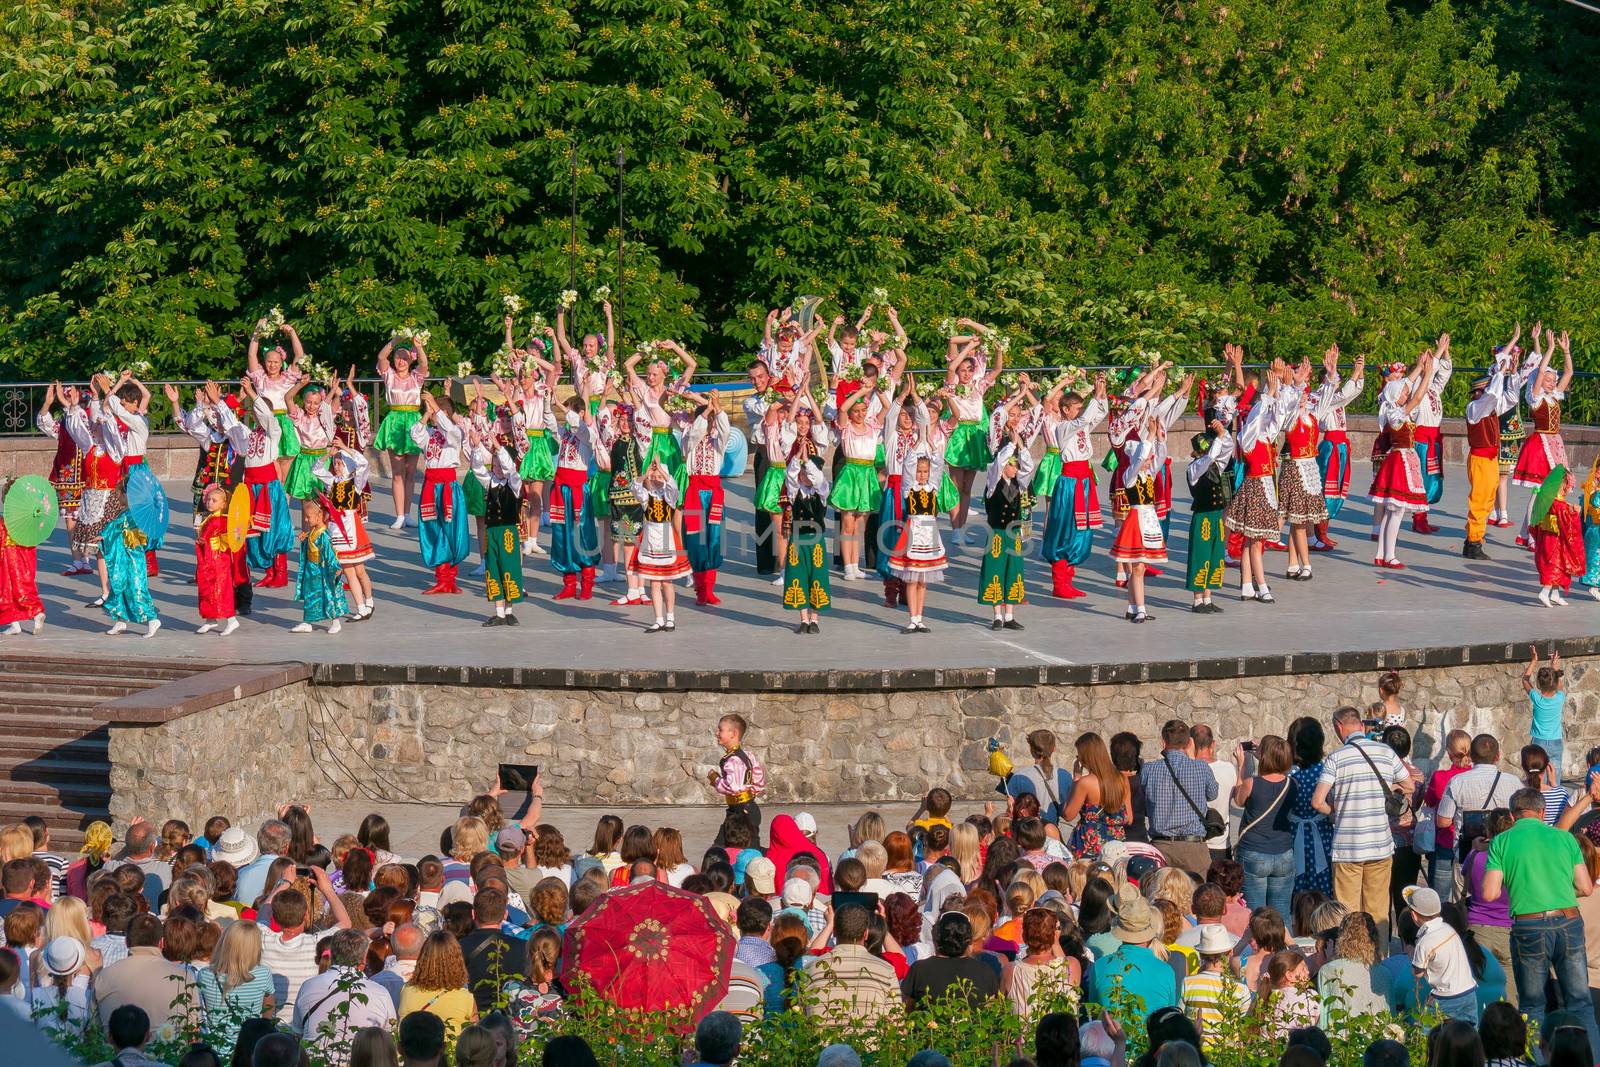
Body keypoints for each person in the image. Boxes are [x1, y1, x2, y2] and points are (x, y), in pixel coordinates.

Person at [1482, 787, 1600, 1053]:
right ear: (1543, 812)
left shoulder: (1502, 842)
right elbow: (1586, 887)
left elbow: (1490, 893)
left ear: (1513, 817)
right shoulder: (1564, 838)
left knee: (1533, 1005)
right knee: (1580, 1002)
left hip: (1528, 926)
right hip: (1568, 920)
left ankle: (1537, 1059)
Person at [1311, 707, 1409, 925]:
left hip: (1348, 848)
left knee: (1347, 913)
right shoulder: (1386, 752)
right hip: (1380, 845)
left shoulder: (1336, 758)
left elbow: (1317, 802)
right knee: (1378, 912)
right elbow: (1408, 784)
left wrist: (1335, 813)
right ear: (1361, 726)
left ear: (1339, 726)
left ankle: (1352, 956)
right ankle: (1380, 955)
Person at [293, 929, 397, 1053]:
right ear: (364, 959)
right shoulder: (380, 993)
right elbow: (391, 1039)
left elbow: (297, 1035)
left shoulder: (308, 986)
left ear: (333, 954)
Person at [1138, 719, 1219, 876]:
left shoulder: (1148, 770)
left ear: (1163, 742)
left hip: (1161, 846)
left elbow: (1145, 806)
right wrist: (1192, 756)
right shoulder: (1201, 767)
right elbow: (1212, 794)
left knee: (1161, 896)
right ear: (1189, 742)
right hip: (1193, 847)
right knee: (1201, 897)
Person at [801, 903, 899, 1024]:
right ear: (866, 934)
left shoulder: (810, 969)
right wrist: (882, 924)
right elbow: (897, 1022)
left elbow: (801, 1018)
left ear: (834, 932)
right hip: (870, 1042)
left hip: (822, 1042)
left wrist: (829, 924)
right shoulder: (886, 970)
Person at [1082, 893, 1178, 1017]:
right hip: (1152, 1035)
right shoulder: (1166, 971)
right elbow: (1170, 1017)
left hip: (1109, 1035)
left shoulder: (1100, 966)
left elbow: (1094, 1016)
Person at [1232, 735, 1296, 917]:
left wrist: (1242, 766)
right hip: (1284, 852)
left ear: (1264, 757)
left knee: (1255, 913)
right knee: (1282, 913)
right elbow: (1280, 775)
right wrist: (1271, 754)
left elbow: (1238, 799)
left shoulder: (1252, 783)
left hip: (1254, 851)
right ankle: (1286, 946)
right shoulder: (1293, 784)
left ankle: (1257, 946)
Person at [977, 432, 1035, 630]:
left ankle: (1009, 615)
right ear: (1005, 466)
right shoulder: (993, 483)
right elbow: (997, 465)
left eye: (1016, 465)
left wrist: (1020, 445)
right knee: (995, 571)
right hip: (997, 534)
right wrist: (1010, 444)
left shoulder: (1020, 483)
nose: (1016, 468)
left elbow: (1029, 467)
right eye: (1013, 465)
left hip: (1014, 534)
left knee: (1014, 571)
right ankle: (997, 616)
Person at [196, 919, 275, 1056]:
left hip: (216, 1051)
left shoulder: (205, 975)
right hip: (249, 1050)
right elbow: (268, 1013)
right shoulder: (263, 974)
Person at [1402, 887, 1477, 1022]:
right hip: (1468, 991)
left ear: (1413, 915)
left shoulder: (1424, 941)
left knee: (1430, 1034)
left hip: (1446, 997)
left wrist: (1413, 958)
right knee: (1468, 1033)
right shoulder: (1448, 929)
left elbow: (1417, 973)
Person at [901, 912, 1000, 1010]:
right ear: (969, 941)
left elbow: (905, 1010)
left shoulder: (919, 970)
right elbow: (992, 1012)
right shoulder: (985, 972)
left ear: (937, 937)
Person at [1184, 420, 1233, 614]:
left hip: (1215, 517)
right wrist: (1219, 439)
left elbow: (1226, 450)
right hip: (1202, 517)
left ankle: (1208, 597)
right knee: (1200, 556)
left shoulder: (1214, 465)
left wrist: (1223, 432)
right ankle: (1197, 600)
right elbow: (1211, 456)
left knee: (1215, 556)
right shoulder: (1194, 468)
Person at [782, 454, 832, 632]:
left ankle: (815, 620)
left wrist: (808, 462)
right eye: (802, 472)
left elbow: (817, 479)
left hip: (816, 541)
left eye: (808, 472)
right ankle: (804, 619)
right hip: (797, 540)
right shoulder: (794, 492)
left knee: (817, 577)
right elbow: (790, 475)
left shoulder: (822, 492)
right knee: (798, 577)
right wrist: (797, 458)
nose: (804, 475)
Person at [1181, 923, 1252, 1045]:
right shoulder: (1241, 989)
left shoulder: (1188, 983)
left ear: (1201, 954)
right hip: (1229, 1056)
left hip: (1196, 1052)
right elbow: (1246, 1030)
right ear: (1230, 952)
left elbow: (1180, 1018)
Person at [398, 931, 476, 1037]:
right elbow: (474, 1039)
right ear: (457, 961)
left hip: (412, 1052)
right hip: (450, 1052)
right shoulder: (466, 998)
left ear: (423, 957)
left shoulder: (407, 990)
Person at [290, 495, 347, 634]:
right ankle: (307, 622)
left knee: (329, 594)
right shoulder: (313, 532)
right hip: (311, 569)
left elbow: (330, 555)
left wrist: (336, 568)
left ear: (319, 515)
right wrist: (304, 540)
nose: (305, 519)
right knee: (310, 595)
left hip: (322, 570)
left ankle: (335, 622)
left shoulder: (324, 536)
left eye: (308, 517)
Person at [708, 715, 765, 843]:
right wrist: (751, 794)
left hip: (741, 812)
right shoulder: (746, 755)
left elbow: (733, 787)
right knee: (746, 845)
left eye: (720, 730)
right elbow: (759, 779)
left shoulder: (733, 760)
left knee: (722, 846)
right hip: (746, 808)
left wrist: (716, 780)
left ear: (733, 733)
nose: (717, 733)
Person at [1523, 647, 1568, 777]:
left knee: (1537, 777)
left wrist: (1534, 660)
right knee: (1555, 776)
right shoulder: (1560, 698)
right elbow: (1558, 686)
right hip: (1555, 742)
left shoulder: (1537, 699)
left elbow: (1525, 680)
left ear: (1538, 684)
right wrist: (1554, 668)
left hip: (1539, 742)